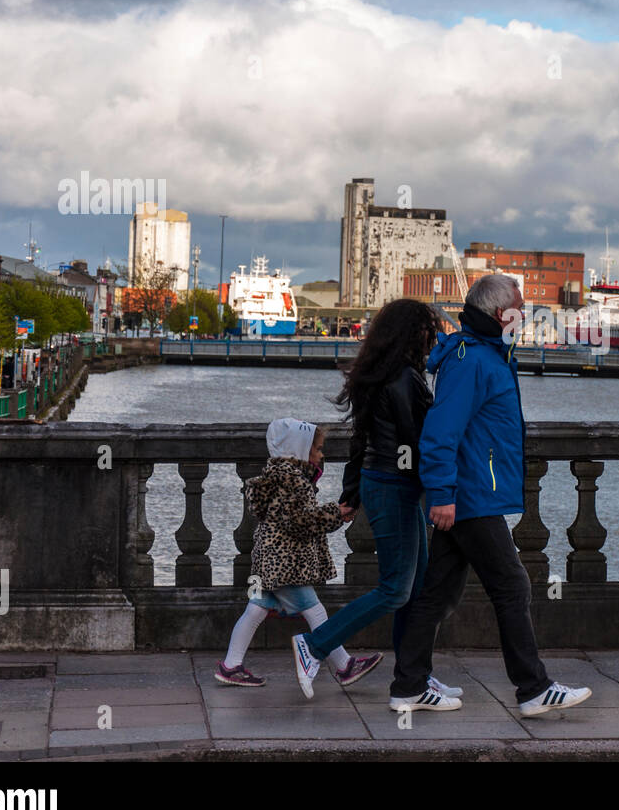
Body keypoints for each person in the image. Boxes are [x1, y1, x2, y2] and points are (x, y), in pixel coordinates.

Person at [388, 275, 591, 716]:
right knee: (512, 586)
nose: (525, 313)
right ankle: (533, 688)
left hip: (466, 493)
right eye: (520, 306)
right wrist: (442, 494)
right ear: (501, 314)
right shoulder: (474, 361)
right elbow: (440, 434)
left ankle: (409, 684)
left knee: (437, 592)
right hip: (469, 496)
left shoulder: (483, 355)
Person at [290, 299, 461, 701]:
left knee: (413, 591)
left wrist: (351, 494)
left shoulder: (384, 375)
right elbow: (421, 441)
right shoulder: (402, 379)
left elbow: (360, 441)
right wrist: (443, 489)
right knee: (397, 590)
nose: (432, 336)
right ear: (411, 333)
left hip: (386, 484)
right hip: (394, 488)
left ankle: (413, 678)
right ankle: (315, 645)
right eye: (427, 329)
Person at [216, 418, 378, 688]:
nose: (321, 455)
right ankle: (344, 666)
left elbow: (293, 519)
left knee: (255, 610)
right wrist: (335, 513)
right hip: (285, 565)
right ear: (300, 452)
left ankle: (231, 665)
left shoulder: (279, 476)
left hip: (267, 561)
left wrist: (334, 515)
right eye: (317, 450)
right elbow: (301, 521)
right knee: (315, 610)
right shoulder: (295, 482)